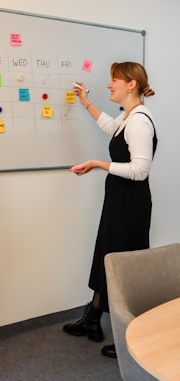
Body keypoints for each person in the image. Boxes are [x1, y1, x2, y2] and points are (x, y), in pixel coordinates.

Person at [63, 62, 157, 359]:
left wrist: (97, 163)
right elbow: (109, 127)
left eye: (113, 80)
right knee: (108, 256)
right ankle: (93, 318)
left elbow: (140, 170)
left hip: (131, 205)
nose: (109, 85)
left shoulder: (140, 120)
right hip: (119, 200)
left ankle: (130, 335)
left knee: (123, 268)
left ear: (131, 84)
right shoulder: (128, 116)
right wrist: (86, 101)